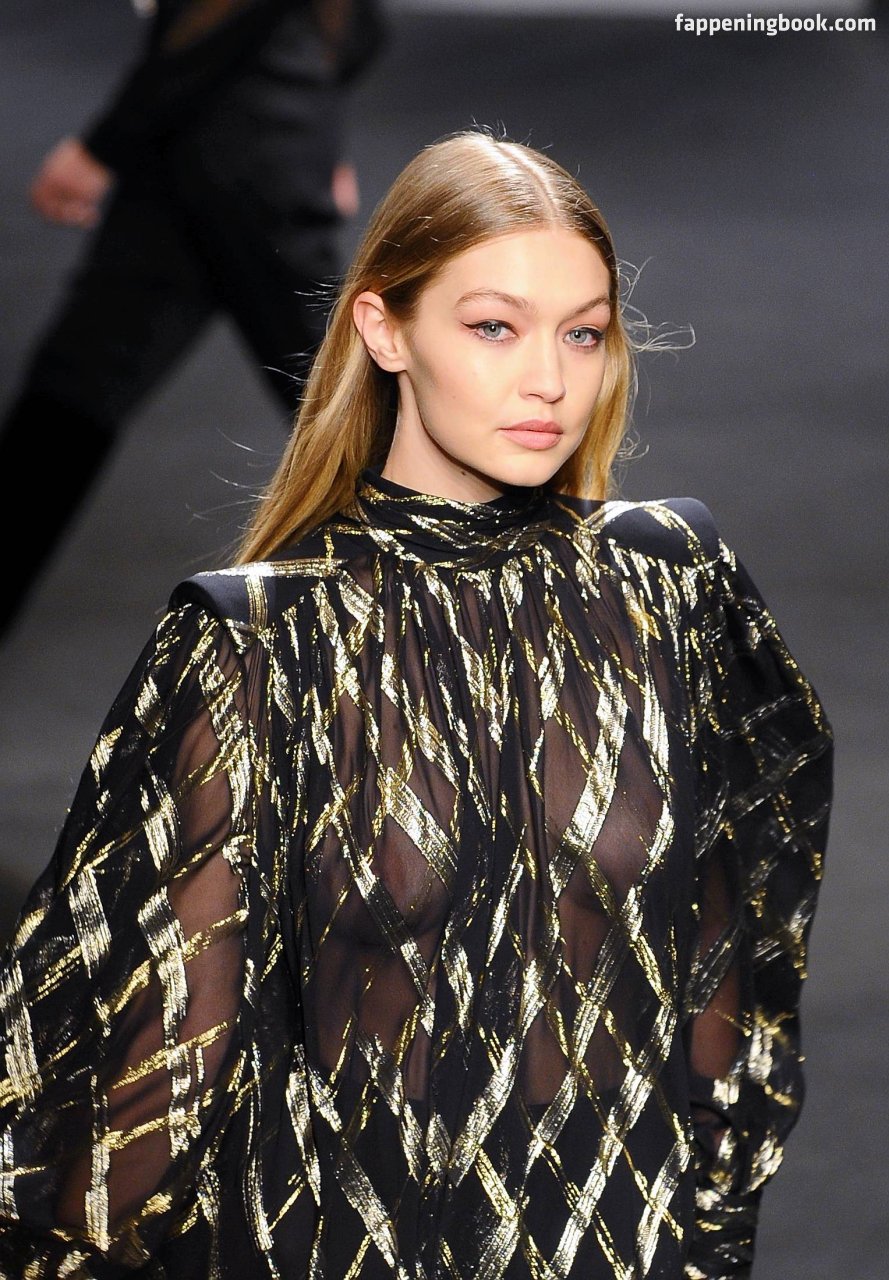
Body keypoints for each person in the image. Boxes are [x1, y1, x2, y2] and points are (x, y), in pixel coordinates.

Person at [0, 130, 833, 1279]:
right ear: (384, 330)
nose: (548, 380)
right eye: (493, 326)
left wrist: (702, 1244)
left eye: (582, 332)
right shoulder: (262, 646)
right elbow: (145, 1082)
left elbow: (732, 968)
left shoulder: (672, 587)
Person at [0, 0, 386, 640]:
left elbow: (220, 14)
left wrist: (101, 146)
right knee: (71, 397)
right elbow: (357, 25)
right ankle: (472, 618)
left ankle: (484, 620)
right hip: (220, 163)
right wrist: (317, 114)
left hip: (244, 163)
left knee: (360, 413)